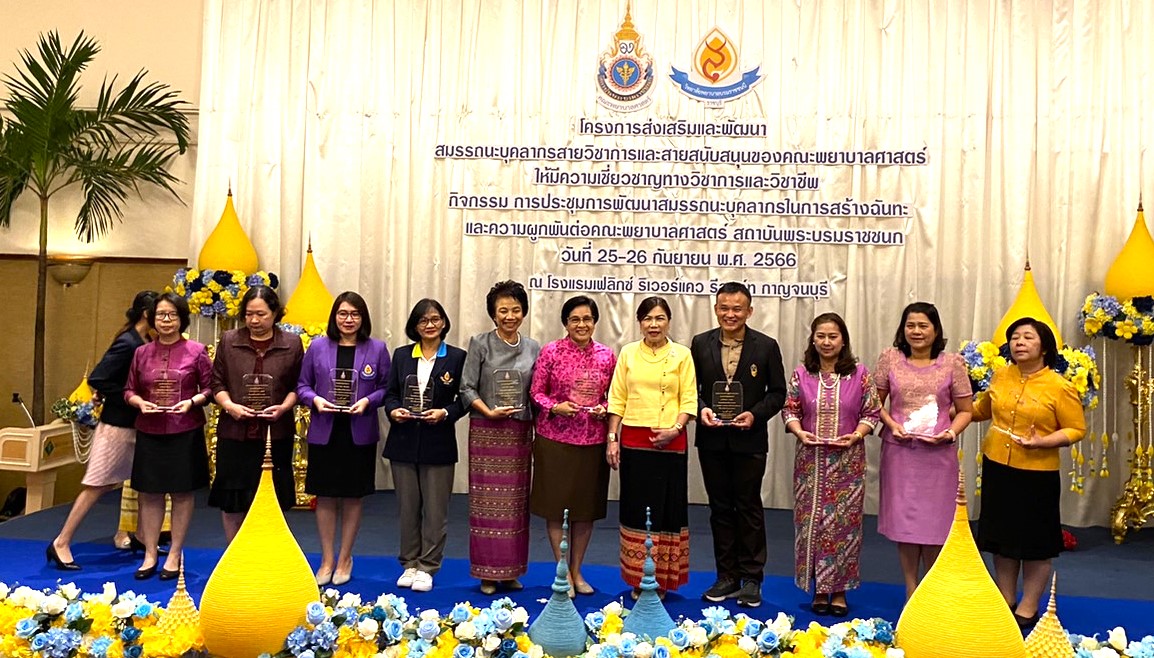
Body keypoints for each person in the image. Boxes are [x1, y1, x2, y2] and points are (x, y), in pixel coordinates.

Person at [972, 316, 1085, 628]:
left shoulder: (1060, 387)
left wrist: (1043, 441)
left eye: (1027, 337)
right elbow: (982, 410)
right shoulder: (1000, 376)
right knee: (1001, 539)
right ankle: (1005, 598)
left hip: (1037, 474)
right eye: (1015, 337)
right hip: (998, 466)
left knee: (1035, 543)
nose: (1019, 343)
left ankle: (1029, 605)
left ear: (1044, 347)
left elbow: (1077, 429)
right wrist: (943, 411)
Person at [690, 282, 786, 608]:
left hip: (750, 439)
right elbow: (690, 388)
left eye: (737, 308)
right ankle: (726, 576)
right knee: (719, 508)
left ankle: (752, 578)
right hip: (712, 438)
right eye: (724, 308)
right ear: (716, 309)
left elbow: (778, 393)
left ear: (749, 311)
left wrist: (755, 415)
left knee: (748, 507)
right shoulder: (700, 343)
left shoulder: (766, 346)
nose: (730, 314)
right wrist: (701, 408)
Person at [48, 290, 157, 570]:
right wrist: (131, 397)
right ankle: (61, 541)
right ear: (147, 314)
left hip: (135, 424)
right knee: (98, 484)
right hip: (117, 426)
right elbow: (99, 378)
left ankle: (143, 536)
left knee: (144, 483)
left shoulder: (144, 340)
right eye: (160, 313)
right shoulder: (128, 342)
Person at [782, 312, 880, 617]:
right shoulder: (802, 374)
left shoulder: (860, 374)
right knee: (811, 524)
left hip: (848, 463)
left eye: (833, 336)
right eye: (821, 336)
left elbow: (872, 412)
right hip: (810, 462)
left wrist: (856, 435)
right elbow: (790, 409)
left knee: (843, 527)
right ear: (813, 340)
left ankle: (839, 590)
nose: (826, 342)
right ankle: (819, 589)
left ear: (843, 341)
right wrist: (799, 432)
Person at [874, 302, 973, 600]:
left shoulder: (953, 363)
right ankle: (911, 587)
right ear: (903, 329)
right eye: (910, 325)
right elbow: (874, 403)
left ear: (936, 330)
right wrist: (892, 424)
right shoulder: (890, 359)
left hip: (938, 455)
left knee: (935, 525)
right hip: (900, 452)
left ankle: (931, 589)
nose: (916, 331)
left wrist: (950, 432)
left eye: (923, 326)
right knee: (905, 524)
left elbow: (966, 410)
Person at [297, 291, 391, 586]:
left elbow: (387, 388)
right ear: (334, 316)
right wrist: (315, 400)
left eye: (355, 314)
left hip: (358, 430)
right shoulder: (318, 346)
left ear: (363, 318)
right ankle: (327, 559)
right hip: (325, 429)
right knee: (325, 495)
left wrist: (368, 401)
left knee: (352, 496)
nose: (348, 319)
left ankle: (345, 558)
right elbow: (302, 386)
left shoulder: (377, 348)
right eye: (343, 313)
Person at [606, 296, 697, 598]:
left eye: (660, 318)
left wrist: (675, 429)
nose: (653, 324)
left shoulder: (682, 355)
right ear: (639, 322)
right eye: (647, 318)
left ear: (669, 321)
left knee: (667, 511)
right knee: (636, 510)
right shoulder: (628, 353)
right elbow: (617, 398)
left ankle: (662, 579)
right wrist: (612, 439)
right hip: (634, 441)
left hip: (671, 441)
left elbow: (689, 399)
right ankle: (638, 577)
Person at [529, 295, 617, 598]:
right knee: (556, 509)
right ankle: (562, 571)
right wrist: (555, 407)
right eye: (575, 319)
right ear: (565, 323)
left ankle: (577, 571)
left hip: (592, 441)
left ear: (595, 322)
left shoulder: (607, 355)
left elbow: (614, 396)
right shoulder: (551, 351)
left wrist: (604, 408)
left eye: (587, 319)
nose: (582, 324)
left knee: (585, 511)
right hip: (555, 440)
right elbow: (536, 392)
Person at [123, 292, 213, 580]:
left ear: (182, 318)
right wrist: (139, 402)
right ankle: (150, 553)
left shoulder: (196, 351)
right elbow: (129, 390)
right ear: (152, 319)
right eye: (161, 314)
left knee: (182, 493)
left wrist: (192, 402)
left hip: (184, 429)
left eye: (172, 314)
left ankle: (174, 553)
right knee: (150, 493)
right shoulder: (141, 352)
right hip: (149, 429)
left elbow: (210, 389)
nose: (166, 320)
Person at [461, 280, 541, 595]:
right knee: (487, 506)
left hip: (519, 432)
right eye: (503, 310)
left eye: (516, 310)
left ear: (524, 312)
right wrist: (488, 411)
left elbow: (536, 391)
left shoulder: (533, 347)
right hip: (487, 431)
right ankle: (486, 573)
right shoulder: (479, 343)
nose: (510, 316)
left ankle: (511, 572)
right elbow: (467, 387)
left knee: (515, 508)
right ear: (493, 314)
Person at [383, 299, 468, 593]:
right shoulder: (402, 355)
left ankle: (428, 566)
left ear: (444, 322)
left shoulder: (456, 357)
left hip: (438, 443)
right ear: (414, 326)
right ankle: (409, 563)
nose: (430, 325)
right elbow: (391, 394)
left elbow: (464, 399)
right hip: (403, 442)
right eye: (423, 320)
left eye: (435, 319)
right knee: (408, 509)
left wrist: (445, 413)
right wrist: (393, 410)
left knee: (435, 511)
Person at [210, 285, 304, 541]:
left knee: (273, 496)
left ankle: (266, 551)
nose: (254, 320)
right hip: (234, 431)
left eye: (261, 314)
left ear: (275, 313)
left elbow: (300, 385)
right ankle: (234, 553)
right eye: (249, 314)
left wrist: (284, 407)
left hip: (276, 433)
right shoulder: (229, 340)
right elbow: (216, 382)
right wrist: (230, 406)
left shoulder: (291, 343)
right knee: (233, 499)